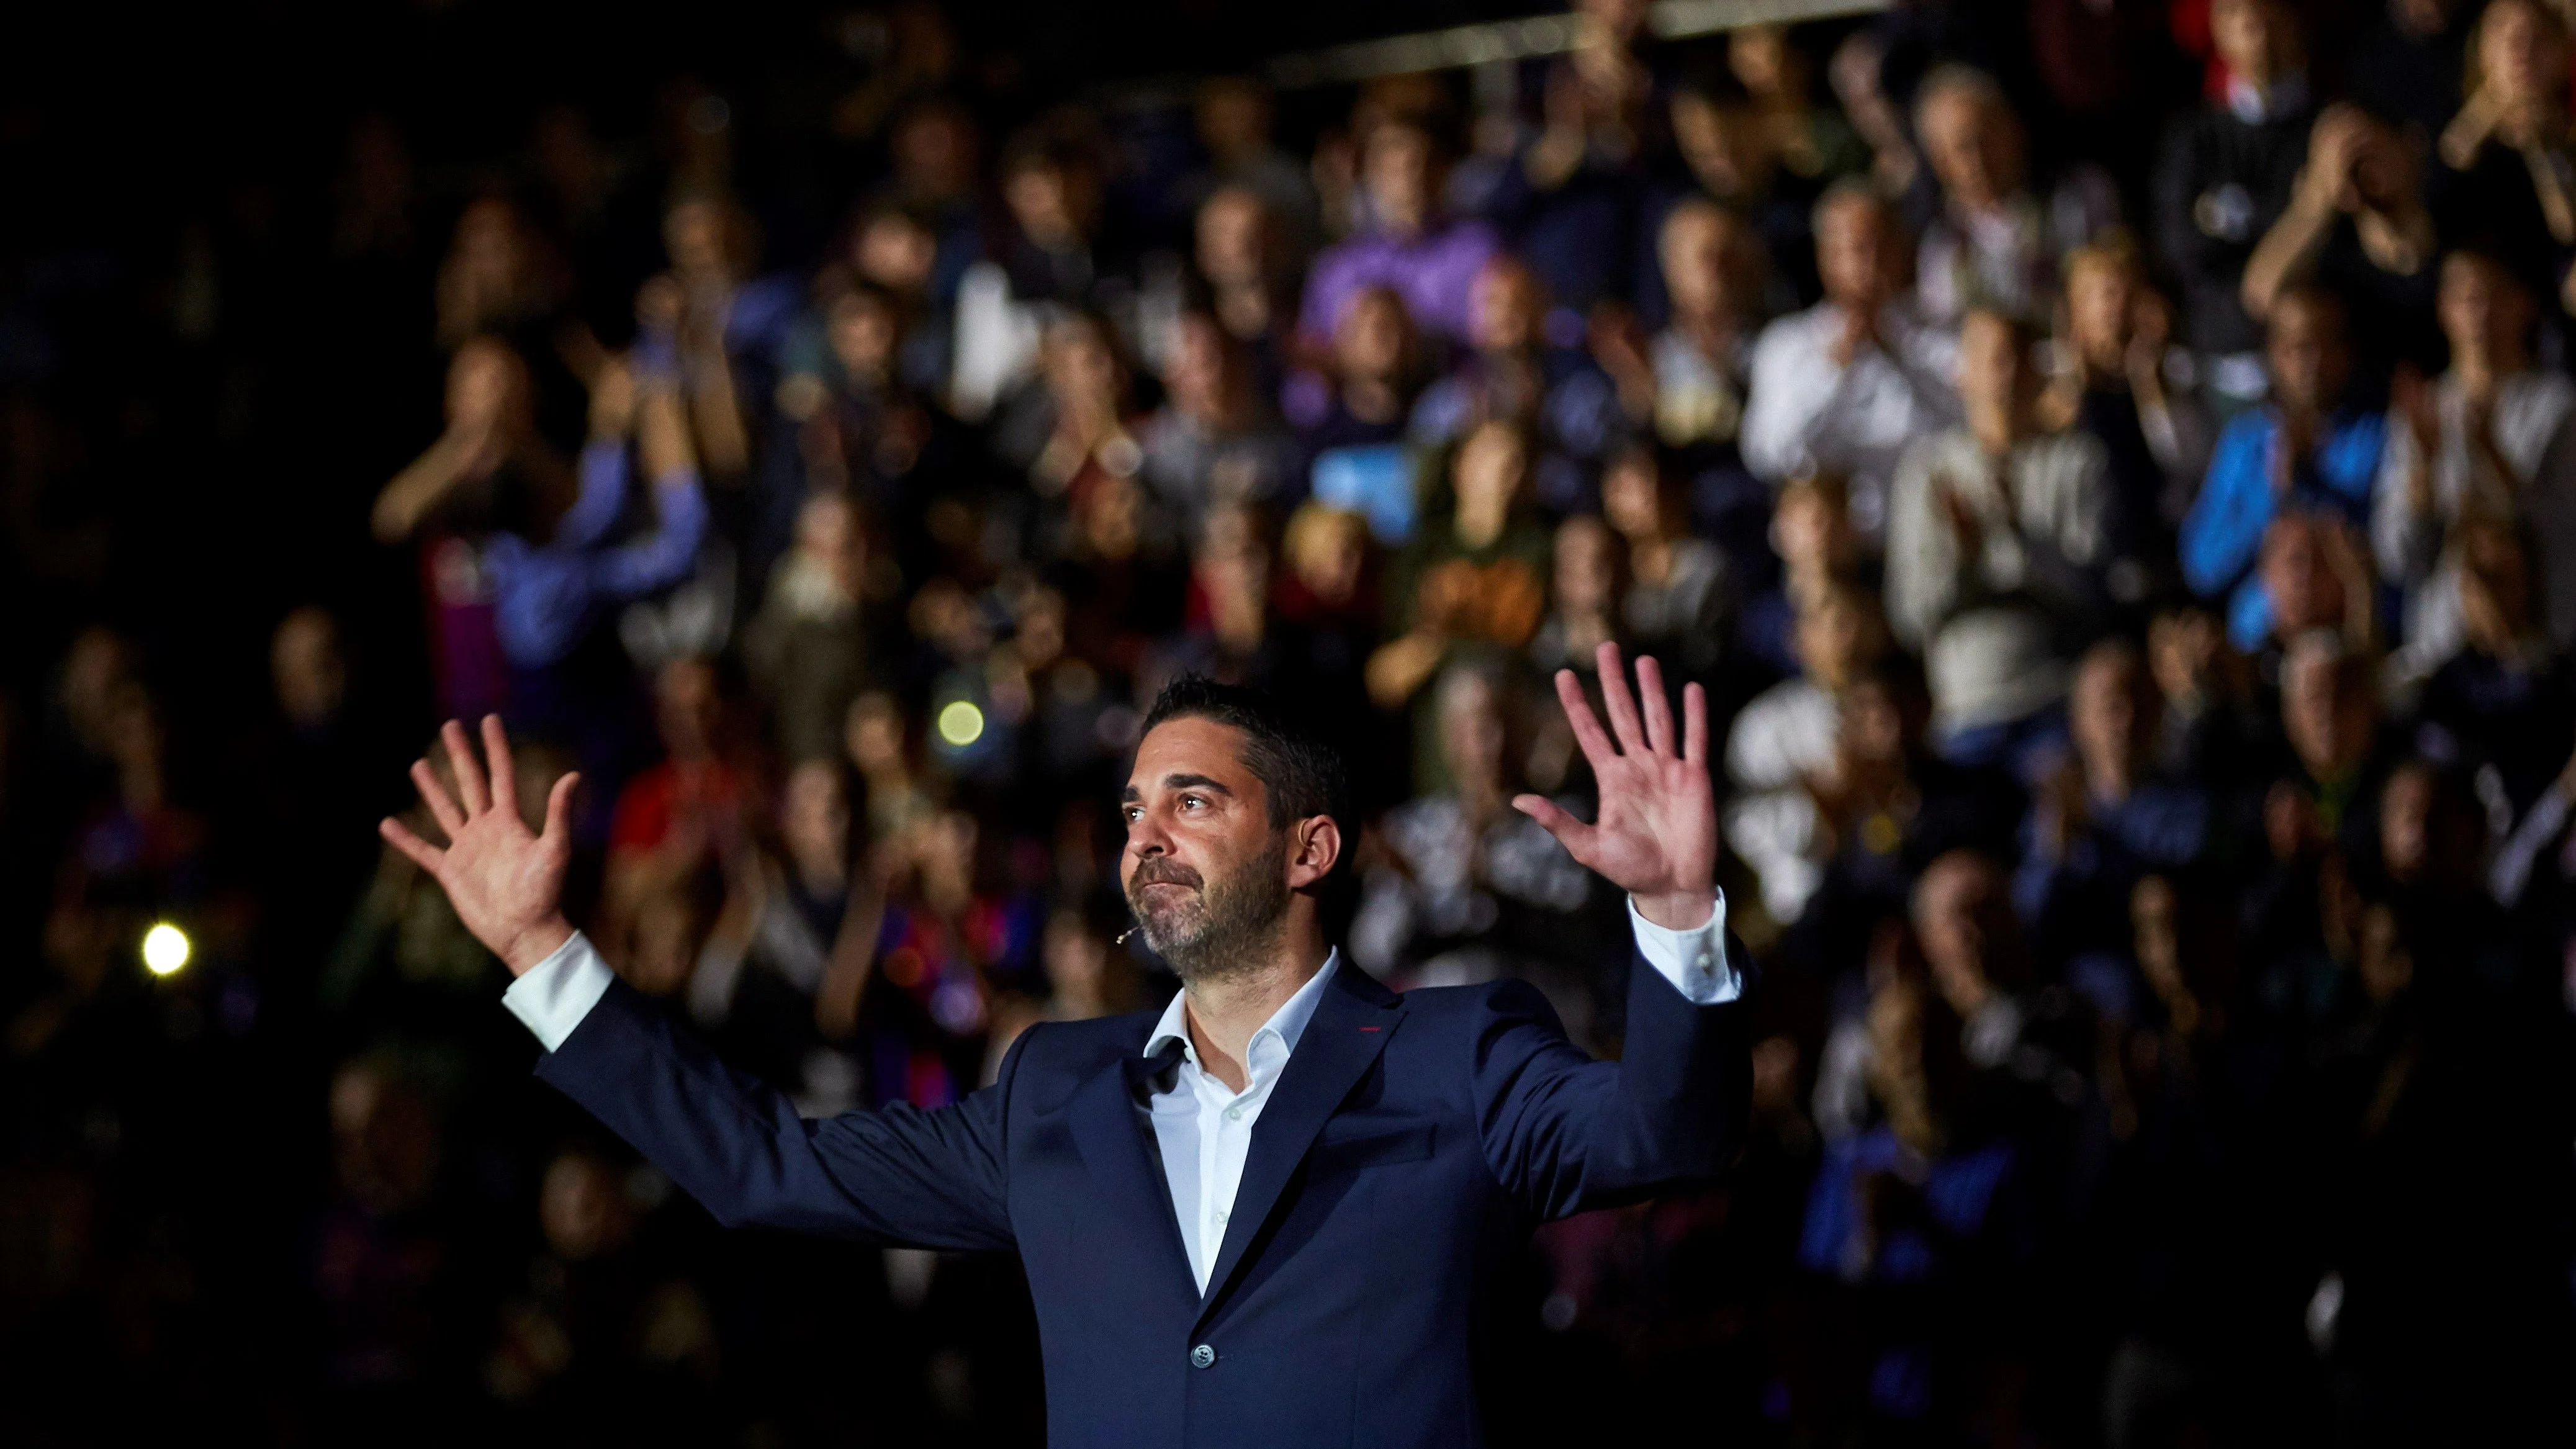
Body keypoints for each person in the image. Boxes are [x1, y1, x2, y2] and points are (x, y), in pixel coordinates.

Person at [379, 648, 1752, 1449]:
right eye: (1131, 805)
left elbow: (1663, 1134)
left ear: (1308, 849)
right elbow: (760, 1168)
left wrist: (1675, 913)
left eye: (1192, 800)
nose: (1142, 833)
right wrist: (547, 962)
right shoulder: (1053, 1094)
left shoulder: (1456, 1054)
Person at [1741, 181, 1961, 538]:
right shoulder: (1788, 345)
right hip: (1841, 549)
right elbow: (1770, 454)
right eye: (1858, 249)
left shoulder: (1945, 334)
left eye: (1882, 245)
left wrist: (1898, 355)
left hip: (1934, 538)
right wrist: (1834, 370)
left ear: (1904, 249)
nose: (1871, 265)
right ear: (1826, 258)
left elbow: (1965, 431)